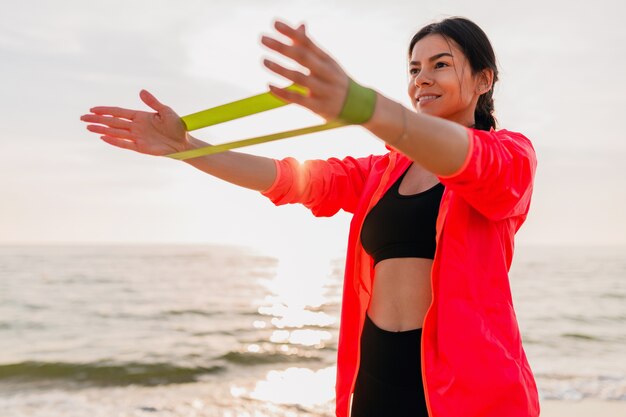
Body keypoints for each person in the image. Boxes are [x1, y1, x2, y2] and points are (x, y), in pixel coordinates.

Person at [80, 16, 540, 417]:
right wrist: (189, 149)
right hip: (376, 375)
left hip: (466, 390)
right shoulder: (382, 171)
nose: (422, 78)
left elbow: (466, 159)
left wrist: (367, 107)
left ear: (484, 80)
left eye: (441, 64)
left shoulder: (510, 158)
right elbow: (290, 180)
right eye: (414, 68)